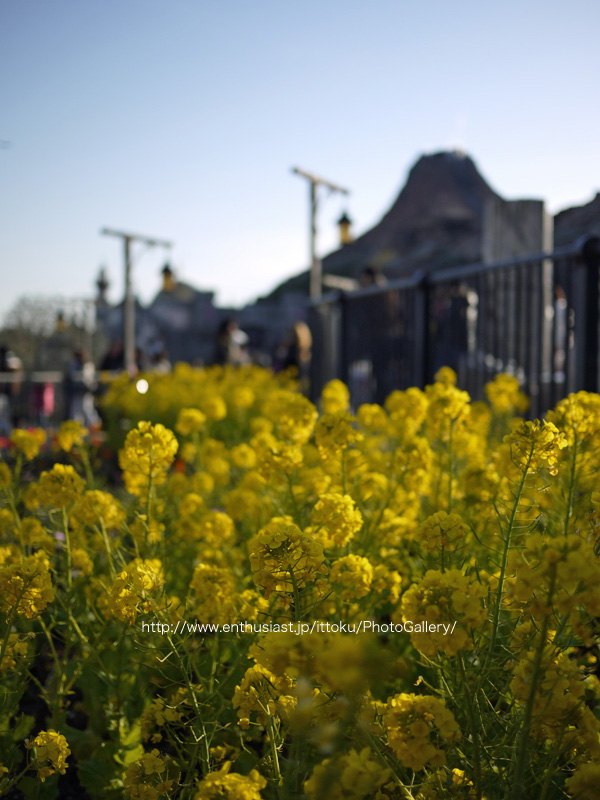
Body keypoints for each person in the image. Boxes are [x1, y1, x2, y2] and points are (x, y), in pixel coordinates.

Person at [275, 321, 312, 392]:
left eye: (293, 334)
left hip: (292, 386)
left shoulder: (293, 351)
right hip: (293, 386)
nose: (290, 336)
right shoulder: (306, 353)